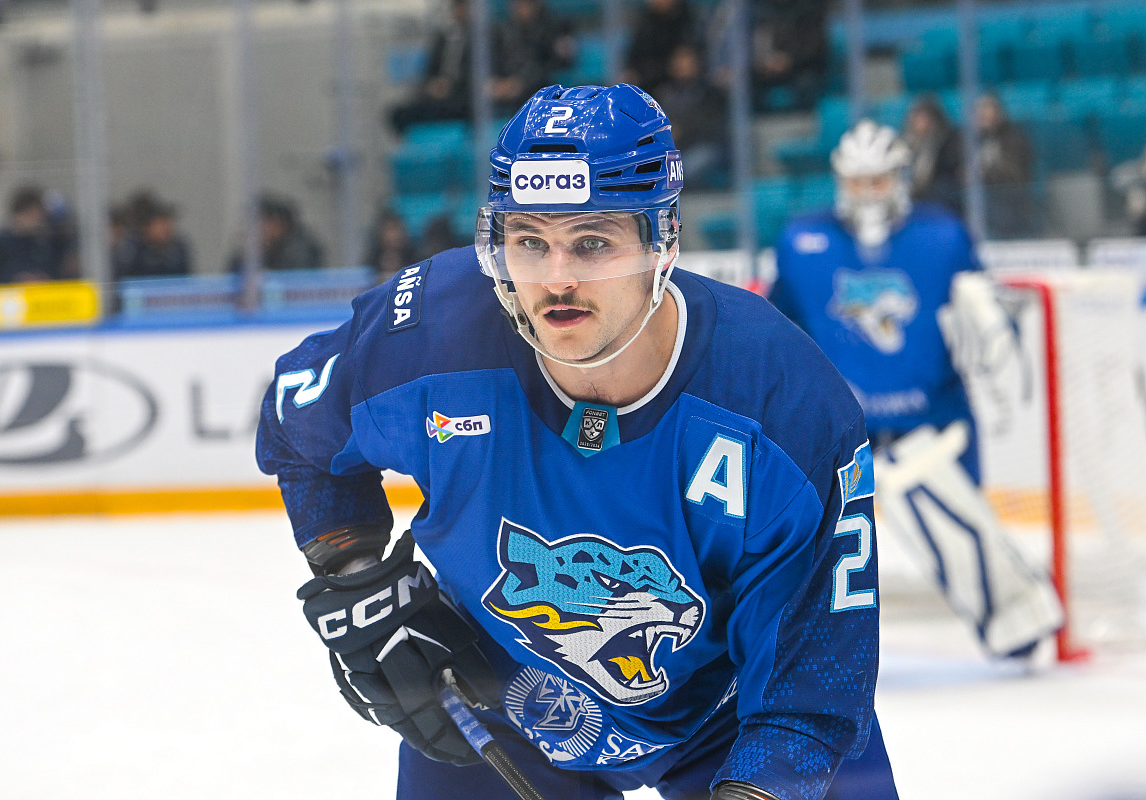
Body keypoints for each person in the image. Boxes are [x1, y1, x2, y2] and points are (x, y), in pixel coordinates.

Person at [257, 84, 898, 800]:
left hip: (734, 716)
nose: (556, 279)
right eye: (530, 242)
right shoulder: (430, 336)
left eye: (592, 242)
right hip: (501, 698)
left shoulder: (782, 401)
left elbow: (810, 688)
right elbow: (296, 427)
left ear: (662, 241)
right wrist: (356, 578)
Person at [767, 120, 1063, 661]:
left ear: (900, 177)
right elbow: (780, 329)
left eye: (878, 180)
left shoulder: (943, 236)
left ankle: (1017, 619)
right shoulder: (801, 242)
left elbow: (981, 319)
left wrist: (995, 345)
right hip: (842, 431)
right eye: (857, 181)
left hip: (933, 423)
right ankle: (792, 646)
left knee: (959, 527)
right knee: (799, 544)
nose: (867, 193)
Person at [389, 0, 476, 135]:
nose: (460, 12)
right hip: (439, 97)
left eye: (464, 8)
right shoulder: (442, 38)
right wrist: (432, 86)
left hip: (464, 96)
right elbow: (429, 72)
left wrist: (452, 86)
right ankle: (419, 144)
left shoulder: (482, 39)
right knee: (399, 113)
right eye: (457, 8)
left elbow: (478, 75)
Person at [652, 42, 729, 190]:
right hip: (671, 148)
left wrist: (681, 131)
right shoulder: (664, 93)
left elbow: (711, 127)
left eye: (687, 59)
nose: (682, 64)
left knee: (689, 165)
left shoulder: (710, 93)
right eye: (678, 59)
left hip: (703, 146)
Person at [489, 0, 575, 116]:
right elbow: (493, 60)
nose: (521, 8)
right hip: (506, 89)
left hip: (537, 89)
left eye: (526, 4)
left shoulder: (554, 28)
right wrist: (498, 83)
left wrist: (520, 83)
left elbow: (552, 65)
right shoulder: (502, 31)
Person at [0, 185, 71, 285]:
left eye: (38, 215)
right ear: (18, 214)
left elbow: (57, 270)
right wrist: (14, 280)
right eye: (31, 214)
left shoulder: (43, 243)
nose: (37, 219)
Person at [974, 93, 1038, 239]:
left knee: (1000, 209)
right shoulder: (973, 141)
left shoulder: (1013, 138)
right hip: (980, 194)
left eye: (987, 113)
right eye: (980, 114)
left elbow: (1013, 173)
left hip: (1008, 195)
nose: (983, 117)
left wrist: (983, 174)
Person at [229, 194, 325, 273]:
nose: (254, 228)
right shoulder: (253, 250)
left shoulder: (300, 251)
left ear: (277, 224)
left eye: (260, 222)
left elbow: (295, 283)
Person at [621, 0, 699, 96]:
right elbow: (633, 57)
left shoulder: (687, 23)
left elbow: (688, 60)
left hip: (674, 84)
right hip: (648, 81)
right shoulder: (645, 22)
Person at [903, 93, 963, 217]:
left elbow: (951, 173)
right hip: (914, 198)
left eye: (924, 118)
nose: (920, 123)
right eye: (917, 118)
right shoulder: (905, 144)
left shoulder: (947, 142)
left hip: (940, 198)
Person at [113, 192, 194, 279]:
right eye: (161, 223)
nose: (167, 229)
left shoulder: (178, 250)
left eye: (168, 223)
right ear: (147, 227)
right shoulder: (132, 252)